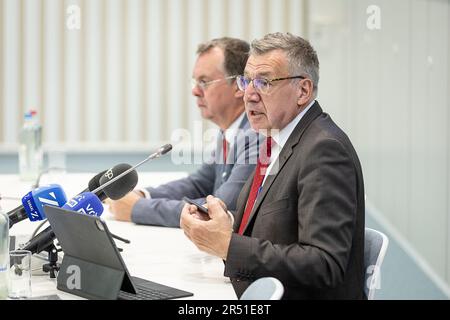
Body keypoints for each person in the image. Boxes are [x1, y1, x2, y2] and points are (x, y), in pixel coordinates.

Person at [180, 32, 365, 299]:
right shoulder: (276, 138)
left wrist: (228, 246)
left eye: (264, 82)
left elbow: (324, 265)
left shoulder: (324, 150)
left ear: (303, 90)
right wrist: (225, 223)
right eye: (246, 81)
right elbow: (278, 226)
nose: (249, 95)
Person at [108, 37, 261, 227]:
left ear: (240, 85)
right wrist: (143, 195)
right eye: (195, 82)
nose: (195, 91)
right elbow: (199, 184)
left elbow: (218, 209)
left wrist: (137, 208)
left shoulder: (257, 135)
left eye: (204, 82)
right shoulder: (230, 131)